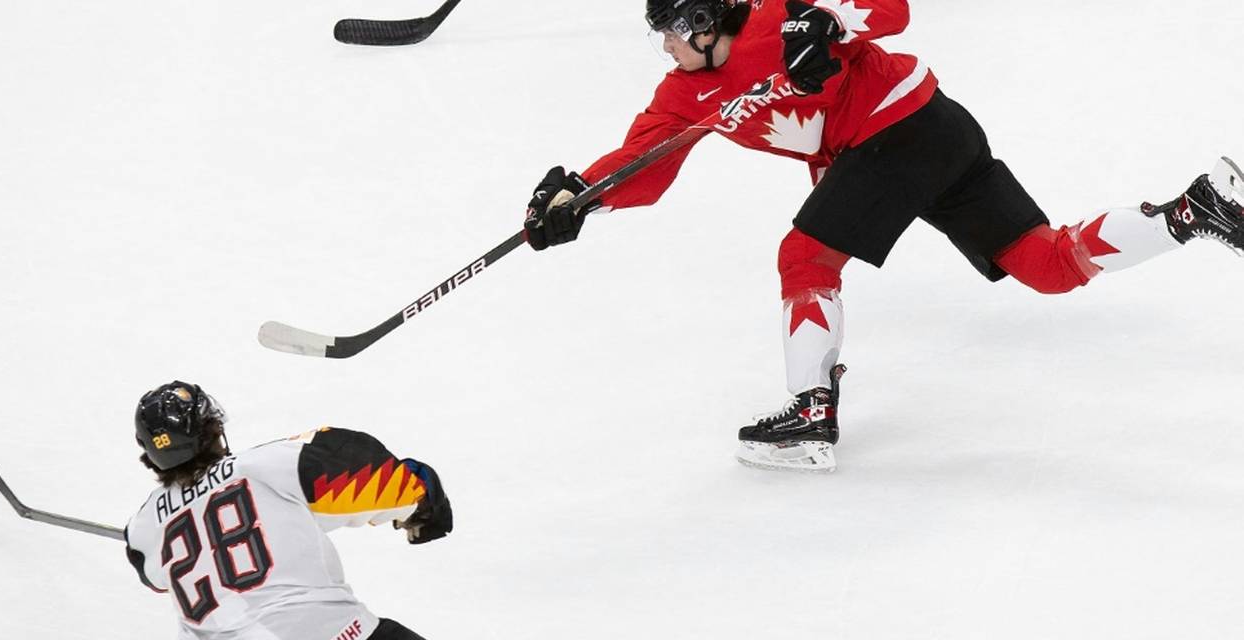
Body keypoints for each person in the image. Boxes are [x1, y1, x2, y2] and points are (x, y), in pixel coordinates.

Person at [521, 0, 1244, 472]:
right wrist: (579, 197)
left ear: (705, 22)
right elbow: (644, 164)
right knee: (1047, 265)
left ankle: (810, 417)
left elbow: (888, 8)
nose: (667, 51)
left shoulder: (780, 9)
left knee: (804, 256)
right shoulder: (684, 95)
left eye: (670, 36)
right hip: (931, 133)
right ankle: (1196, 209)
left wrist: (826, 18)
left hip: (904, 127)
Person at [124, 382, 534, 640]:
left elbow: (153, 576)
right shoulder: (265, 465)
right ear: (213, 429)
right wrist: (422, 503)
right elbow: (380, 478)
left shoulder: (144, 529)